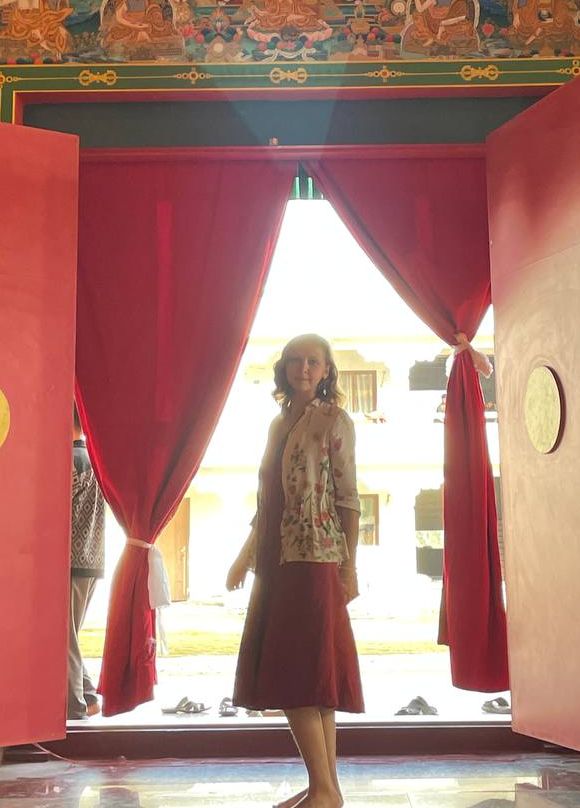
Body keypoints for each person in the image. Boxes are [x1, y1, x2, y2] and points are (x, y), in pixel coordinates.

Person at [227, 334, 362, 808]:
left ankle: (324, 789)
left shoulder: (334, 420)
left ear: (326, 371)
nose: (303, 368)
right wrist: (245, 556)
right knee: (310, 678)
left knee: (298, 673)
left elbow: (349, 499)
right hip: (276, 558)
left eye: (313, 362)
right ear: (283, 369)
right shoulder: (277, 424)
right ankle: (327, 789)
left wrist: (349, 567)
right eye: (294, 361)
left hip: (313, 558)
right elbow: (269, 501)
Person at [70, 406, 105, 721]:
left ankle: (74, 705)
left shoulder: (70, 460)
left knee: (63, 637)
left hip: (69, 561)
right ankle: (89, 695)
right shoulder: (95, 461)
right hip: (92, 559)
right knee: (69, 635)